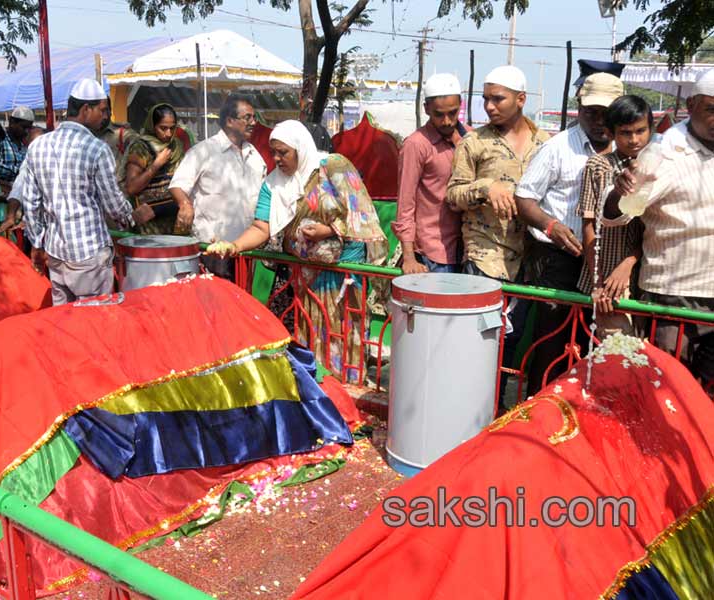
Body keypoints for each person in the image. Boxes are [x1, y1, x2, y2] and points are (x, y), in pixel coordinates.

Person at [209, 120, 388, 382]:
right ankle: (319, 390)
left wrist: (328, 230)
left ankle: (347, 392)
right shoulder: (273, 184)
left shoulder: (333, 167)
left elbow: (361, 212)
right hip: (307, 276)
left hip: (344, 273)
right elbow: (261, 227)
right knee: (312, 334)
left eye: (284, 152)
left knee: (345, 332)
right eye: (274, 153)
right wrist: (234, 245)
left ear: (300, 149)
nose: (278, 158)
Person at [446, 66, 549, 410]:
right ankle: (473, 408)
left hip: (530, 258)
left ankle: (497, 408)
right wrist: (487, 187)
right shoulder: (474, 143)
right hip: (485, 256)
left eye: (497, 98)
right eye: (485, 98)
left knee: (514, 337)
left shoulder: (546, 143)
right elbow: (453, 195)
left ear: (521, 99)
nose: (489, 106)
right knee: (483, 337)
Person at [515, 72, 623, 393]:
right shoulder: (558, 148)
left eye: (607, 113)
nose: (600, 121)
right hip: (560, 260)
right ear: (579, 108)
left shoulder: (630, 146)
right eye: (592, 112)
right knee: (552, 343)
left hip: (609, 265)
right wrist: (551, 225)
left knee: (597, 345)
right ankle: (540, 414)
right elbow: (524, 198)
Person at [607, 70, 714, 388]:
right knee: (666, 388)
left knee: (705, 396)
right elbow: (619, 213)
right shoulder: (663, 152)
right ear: (691, 105)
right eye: (711, 109)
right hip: (672, 294)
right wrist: (619, 191)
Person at [12, 79, 150, 304]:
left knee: (65, 321)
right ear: (86, 109)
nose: (105, 117)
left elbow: (31, 202)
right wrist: (132, 217)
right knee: (95, 324)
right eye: (102, 110)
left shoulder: (38, 146)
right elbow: (114, 204)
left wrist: (37, 243)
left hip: (56, 253)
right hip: (90, 255)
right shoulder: (97, 149)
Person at [576, 95, 652, 337]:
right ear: (611, 133)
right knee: (615, 357)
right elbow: (588, 226)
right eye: (625, 133)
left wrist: (629, 263)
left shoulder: (657, 167)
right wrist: (598, 281)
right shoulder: (598, 165)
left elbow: (652, 228)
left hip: (645, 279)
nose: (634, 139)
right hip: (607, 282)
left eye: (641, 131)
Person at [170, 93, 267, 279]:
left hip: (246, 250)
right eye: (247, 117)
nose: (254, 122)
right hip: (212, 250)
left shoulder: (254, 156)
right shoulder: (204, 151)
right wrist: (185, 204)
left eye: (255, 117)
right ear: (230, 121)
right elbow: (178, 185)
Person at [395, 73, 468, 274]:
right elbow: (405, 203)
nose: (446, 121)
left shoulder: (470, 139)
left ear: (460, 105)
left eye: (452, 113)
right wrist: (409, 257)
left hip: (469, 251)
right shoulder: (416, 145)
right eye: (439, 114)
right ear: (426, 109)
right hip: (433, 254)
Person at [121, 103, 184, 235]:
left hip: (173, 218)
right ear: (152, 126)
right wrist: (156, 165)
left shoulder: (176, 146)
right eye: (163, 128)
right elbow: (131, 188)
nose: (168, 133)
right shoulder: (140, 147)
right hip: (149, 224)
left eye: (172, 128)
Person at [0, 106, 33, 192]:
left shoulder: (24, 144)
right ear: (12, 122)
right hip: (3, 192)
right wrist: (19, 171)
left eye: (29, 128)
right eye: (24, 127)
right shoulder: (0, 140)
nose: (26, 131)